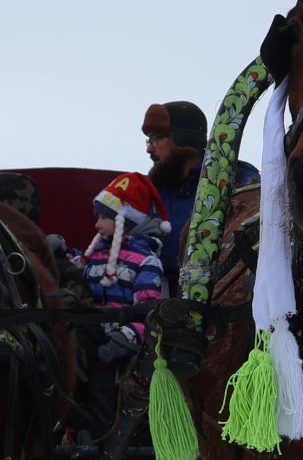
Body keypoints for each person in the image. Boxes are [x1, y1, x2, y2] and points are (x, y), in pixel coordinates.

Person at [70, 174, 167, 438]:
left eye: (104, 217)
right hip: (89, 343)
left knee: (102, 395)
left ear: (125, 220)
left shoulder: (146, 262)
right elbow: (75, 271)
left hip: (120, 356)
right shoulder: (92, 257)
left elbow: (149, 313)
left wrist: (124, 338)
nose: (97, 223)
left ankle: (100, 444)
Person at [143, 101, 207, 282]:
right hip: (152, 299)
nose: (149, 148)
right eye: (149, 140)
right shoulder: (149, 194)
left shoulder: (232, 181)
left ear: (182, 140)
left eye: (156, 138)